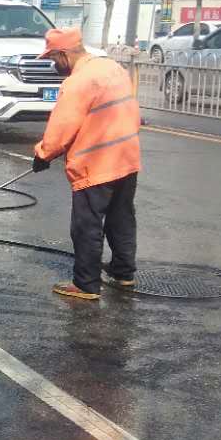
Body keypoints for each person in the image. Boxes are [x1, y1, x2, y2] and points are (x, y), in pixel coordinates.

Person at [32, 26, 141, 301]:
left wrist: (43, 154)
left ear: (63, 54)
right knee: (121, 219)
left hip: (96, 163)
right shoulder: (113, 68)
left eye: (52, 58)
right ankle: (123, 273)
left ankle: (86, 284)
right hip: (126, 157)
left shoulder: (78, 82)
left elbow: (62, 126)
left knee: (87, 225)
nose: (53, 64)